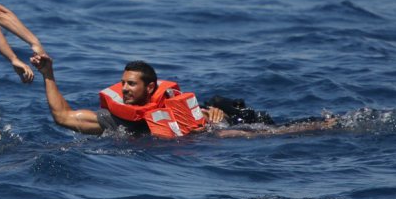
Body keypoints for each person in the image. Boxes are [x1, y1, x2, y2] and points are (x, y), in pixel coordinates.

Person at [29, 55, 337, 137]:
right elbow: (62, 117)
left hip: (212, 130)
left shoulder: (171, 106)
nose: (123, 90)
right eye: (122, 84)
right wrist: (48, 75)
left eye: (131, 85)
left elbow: (206, 120)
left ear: (150, 88)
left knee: (252, 134)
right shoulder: (113, 120)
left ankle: (320, 126)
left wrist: (217, 116)